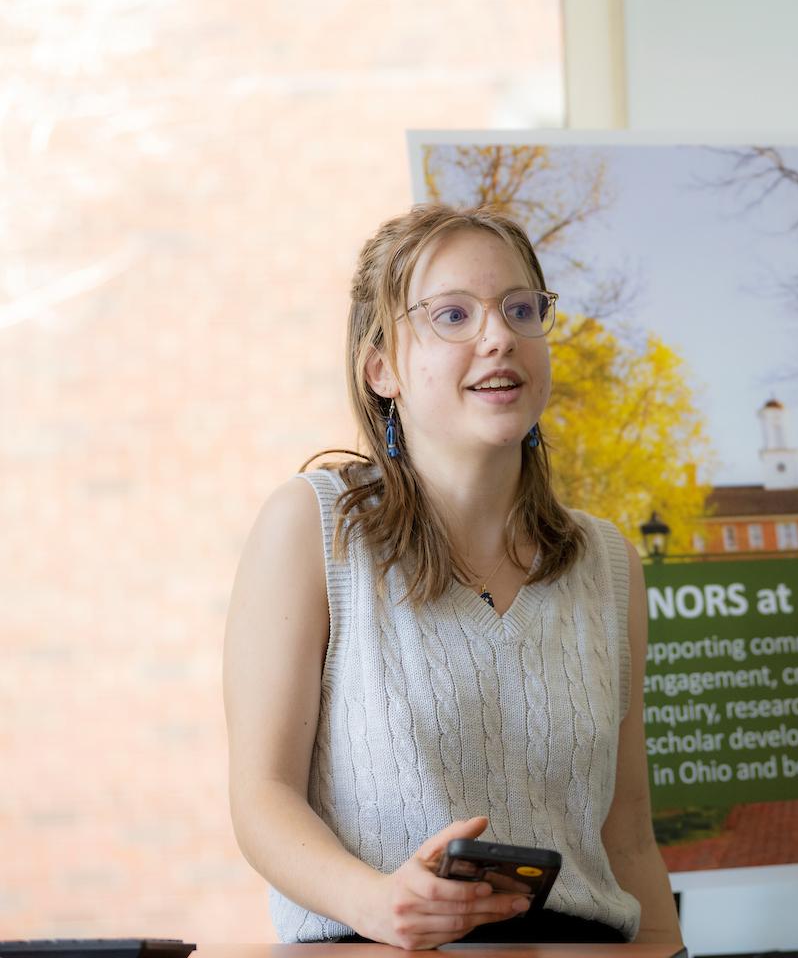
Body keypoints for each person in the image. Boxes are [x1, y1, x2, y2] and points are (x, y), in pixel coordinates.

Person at [223, 204, 682, 949]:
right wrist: (376, 904)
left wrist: (670, 950)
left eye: (520, 309)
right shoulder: (311, 527)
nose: (499, 335)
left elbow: (627, 835)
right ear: (382, 368)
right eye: (453, 315)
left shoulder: (610, 564)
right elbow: (261, 799)